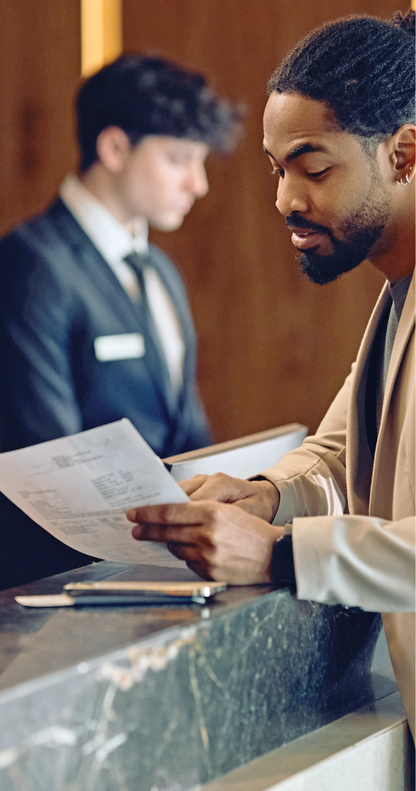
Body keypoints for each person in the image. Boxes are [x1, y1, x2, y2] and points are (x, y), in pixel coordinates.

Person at [128, 12, 415, 736]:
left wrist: (281, 555)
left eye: (313, 167)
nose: (285, 200)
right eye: (277, 168)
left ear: (405, 155)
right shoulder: (396, 291)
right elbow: (338, 451)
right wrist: (264, 497)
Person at [0, 55, 241, 600]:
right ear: (114, 148)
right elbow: (51, 449)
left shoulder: (159, 270)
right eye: (180, 159)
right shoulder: (30, 263)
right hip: (48, 576)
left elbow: (188, 430)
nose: (198, 183)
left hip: (151, 567)